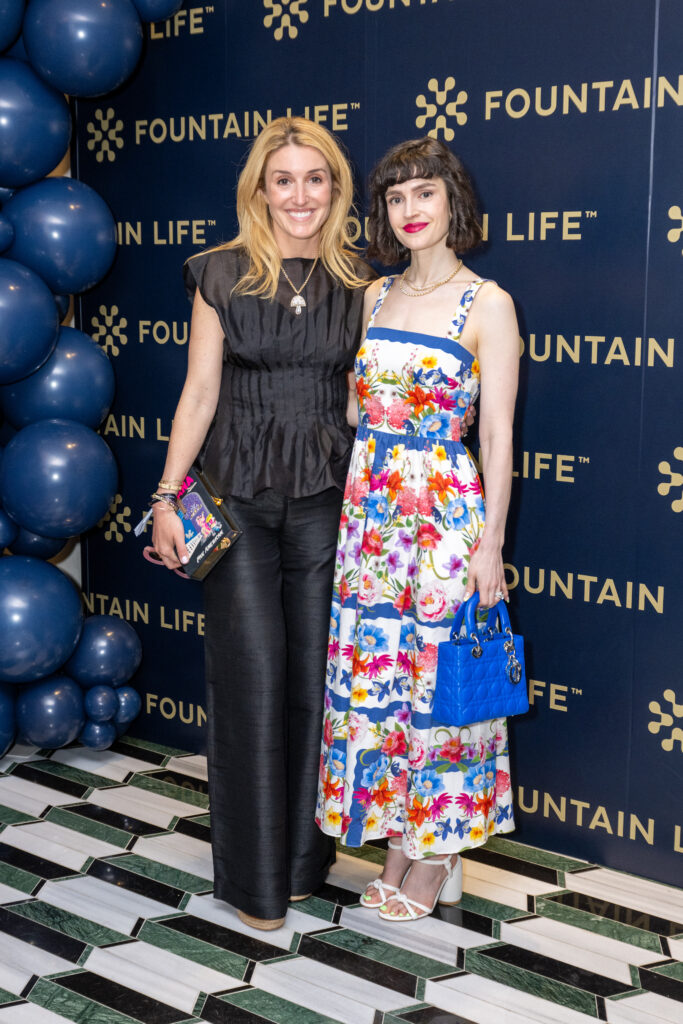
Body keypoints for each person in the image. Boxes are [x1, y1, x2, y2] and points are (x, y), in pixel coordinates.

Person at [151, 117, 373, 930]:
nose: (301, 195)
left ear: (336, 188)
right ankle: (253, 882)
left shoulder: (363, 284)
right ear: (259, 189)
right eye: (284, 179)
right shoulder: (217, 273)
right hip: (238, 498)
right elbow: (199, 393)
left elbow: (362, 400)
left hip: (329, 499)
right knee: (250, 680)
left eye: (316, 178)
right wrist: (166, 498)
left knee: (317, 683)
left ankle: (305, 862)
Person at [316, 137, 520, 921]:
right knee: (383, 690)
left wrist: (490, 543)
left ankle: (432, 856)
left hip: (441, 522)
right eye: (396, 198)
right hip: (369, 523)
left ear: (452, 203)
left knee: (437, 697)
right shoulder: (371, 297)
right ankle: (397, 843)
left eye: (424, 195)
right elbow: (352, 409)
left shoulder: (487, 304)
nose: (409, 211)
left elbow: (497, 435)